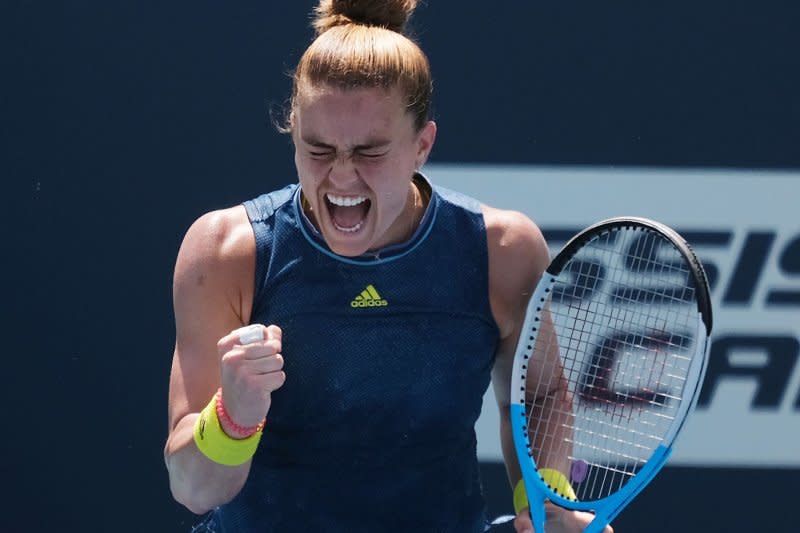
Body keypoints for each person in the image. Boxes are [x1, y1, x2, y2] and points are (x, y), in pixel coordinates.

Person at [164, 1, 614, 532]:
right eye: (319, 149)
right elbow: (192, 489)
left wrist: (547, 501)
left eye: (370, 151)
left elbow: (539, 394)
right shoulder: (226, 252)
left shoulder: (503, 251)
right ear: (293, 133)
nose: (343, 177)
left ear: (422, 145)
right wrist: (233, 416)